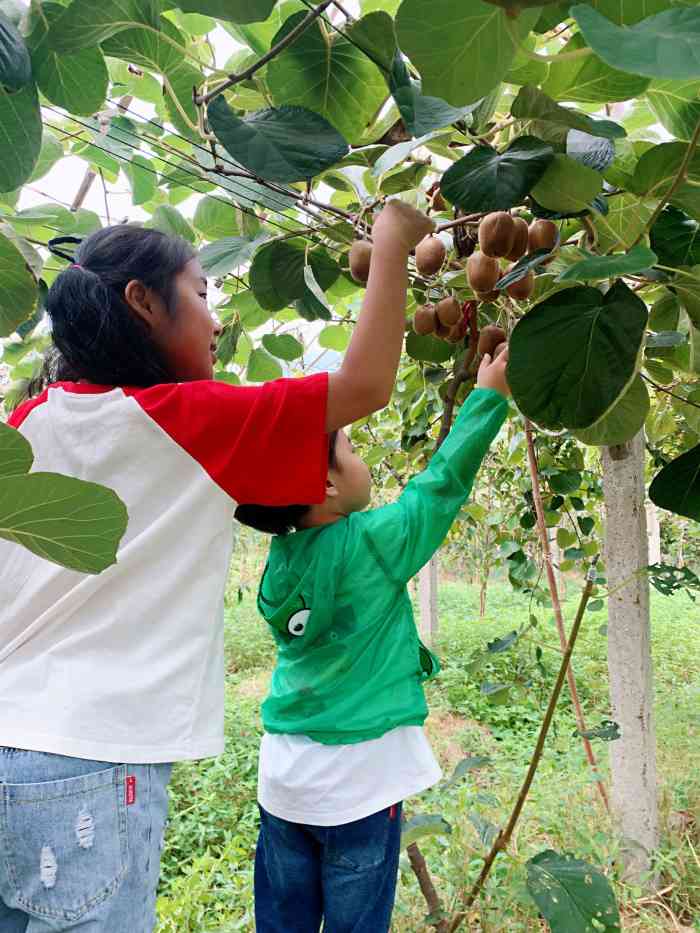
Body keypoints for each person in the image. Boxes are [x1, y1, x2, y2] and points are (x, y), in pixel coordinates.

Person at [0, 201, 433, 933]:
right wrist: (391, 246)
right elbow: (363, 387)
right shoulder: (189, 417)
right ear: (143, 302)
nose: (216, 318)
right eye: (202, 294)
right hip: (93, 763)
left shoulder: (26, 420)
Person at [236, 347, 511, 933]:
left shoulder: (278, 565)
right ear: (327, 483)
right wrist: (488, 397)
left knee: (282, 922)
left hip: (284, 781)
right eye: (351, 450)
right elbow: (438, 490)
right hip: (359, 789)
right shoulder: (372, 543)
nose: (361, 459)